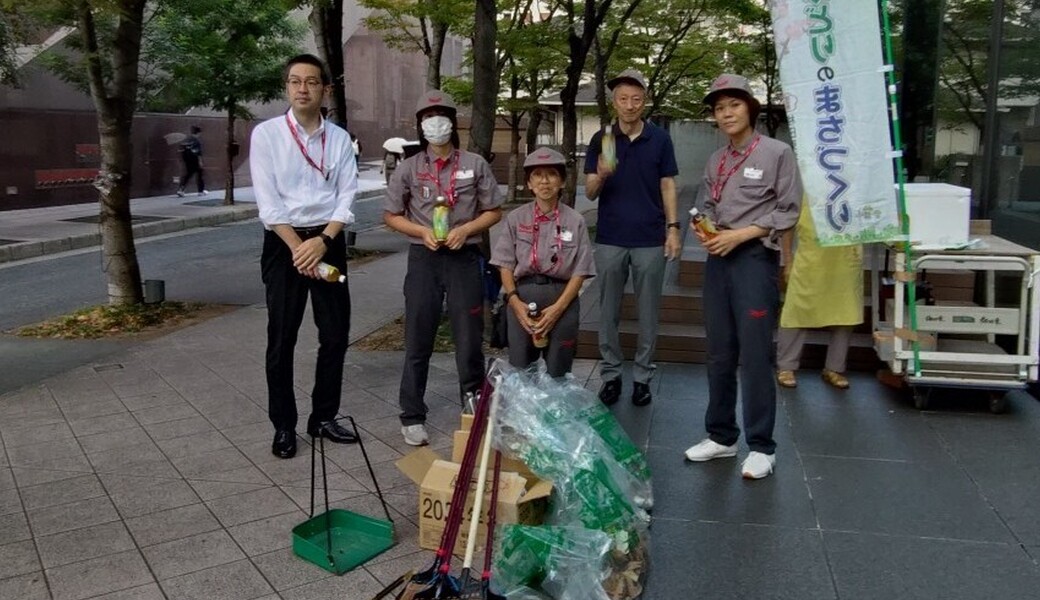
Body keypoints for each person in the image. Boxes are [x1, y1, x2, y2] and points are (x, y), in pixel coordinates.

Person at [682, 73, 801, 480]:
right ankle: (721, 436)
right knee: (718, 351)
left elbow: (788, 209)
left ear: (750, 108)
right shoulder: (716, 160)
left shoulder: (776, 152)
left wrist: (741, 235)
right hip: (719, 259)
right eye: (719, 108)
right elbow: (706, 203)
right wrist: (708, 229)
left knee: (754, 354)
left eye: (733, 104)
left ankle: (762, 446)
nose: (726, 113)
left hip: (753, 259)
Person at [250, 53, 360, 460]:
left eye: (311, 82)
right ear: (286, 87)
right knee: (282, 338)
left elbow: (347, 195)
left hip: (327, 241)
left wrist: (323, 242)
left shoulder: (339, 138)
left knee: (335, 334)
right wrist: (301, 248)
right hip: (285, 247)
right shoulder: (267, 135)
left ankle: (324, 417)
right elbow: (268, 201)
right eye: (295, 81)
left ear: (324, 89)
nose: (302, 89)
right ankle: (283, 425)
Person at [383, 89, 503, 446]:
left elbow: (494, 210)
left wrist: (466, 230)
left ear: (452, 121)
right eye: (428, 117)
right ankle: (412, 413)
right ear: (421, 125)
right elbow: (390, 214)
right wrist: (421, 231)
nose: (436, 122)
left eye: (442, 115)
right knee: (418, 335)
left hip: (463, 257)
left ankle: (474, 401)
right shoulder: (409, 168)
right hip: (424, 259)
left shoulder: (475, 164)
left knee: (469, 335)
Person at [584, 68, 680, 407]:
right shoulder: (603, 139)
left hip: (651, 238)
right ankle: (611, 376)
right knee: (607, 310)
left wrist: (673, 228)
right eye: (623, 99)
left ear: (645, 102)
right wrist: (602, 174)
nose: (629, 105)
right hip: (610, 237)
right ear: (614, 102)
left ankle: (642, 377)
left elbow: (668, 184)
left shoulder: (660, 139)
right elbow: (591, 192)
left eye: (636, 99)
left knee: (648, 312)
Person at [491, 148, 595, 377]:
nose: (545, 181)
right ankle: (523, 413)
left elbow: (581, 270)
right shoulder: (516, 218)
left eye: (551, 174)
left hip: (562, 298)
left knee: (559, 369)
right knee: (520, 368)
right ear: (529, 183)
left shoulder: (574, 220)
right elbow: (504, 264)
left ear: (562, 182)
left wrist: (558, 309)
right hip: (522, 296)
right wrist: (515, 302)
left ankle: (555, 412)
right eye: (537, 175)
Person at [776, 201, 863, 389]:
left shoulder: (855, 181)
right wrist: (788, 260)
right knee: (796, 309)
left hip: (846, 255)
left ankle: (834, 368)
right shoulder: (806, 179)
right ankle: (786, 366)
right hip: (810, 257)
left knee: (845, 311)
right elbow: (788, 222)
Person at [176, 125, 207, 197]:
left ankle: (181, 190)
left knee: (187, 175)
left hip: (187, 161)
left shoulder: (186, 140)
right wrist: (200, 162)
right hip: (195, 160)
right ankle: (200, 191)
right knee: (200, 175)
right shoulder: (196, 141)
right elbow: (198, 153)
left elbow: (181, 150)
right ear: (198, 133)